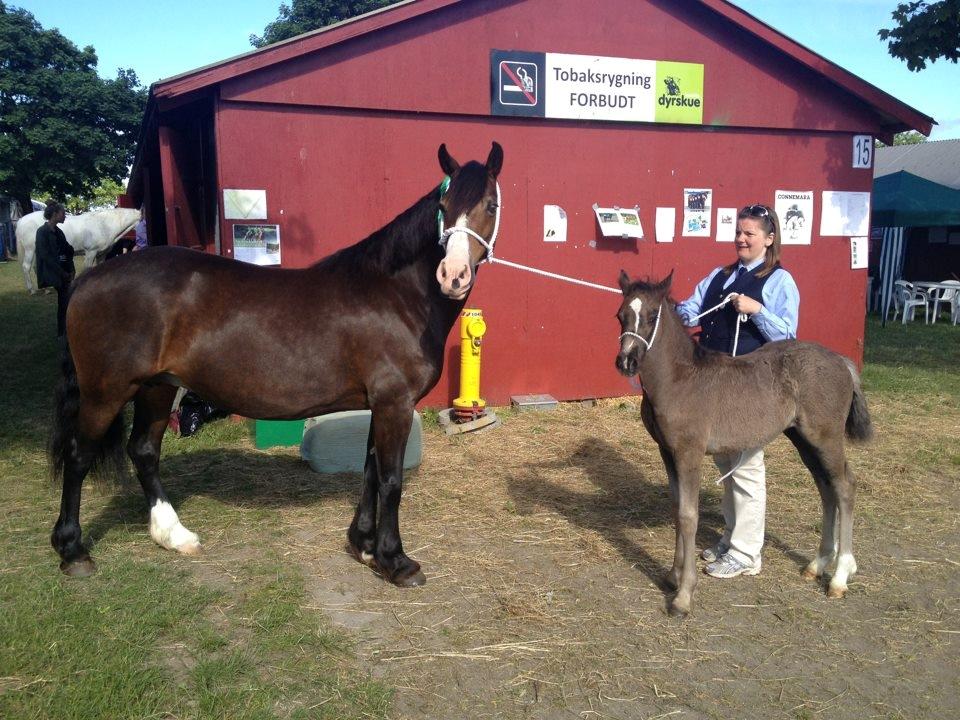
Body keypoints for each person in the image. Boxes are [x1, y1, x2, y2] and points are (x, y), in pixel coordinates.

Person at [675, 203, 800, 579]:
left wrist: (757, 309)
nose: (742, 239)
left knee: (746, 466)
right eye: (739, 232)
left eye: (751, 233)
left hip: (751, 385)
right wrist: (671, 314)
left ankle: (747, 554)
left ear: (769, 238)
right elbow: (691, 307)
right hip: (712, 384)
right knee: (725, 464)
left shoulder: (779, 281)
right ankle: (731, 539)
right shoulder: (720, 275)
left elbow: (788, 337)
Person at [35, 201, 75, 337]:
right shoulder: (42, 232)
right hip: (54, 273)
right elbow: (45, 256)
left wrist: (71, 269)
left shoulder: (59, 232)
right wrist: (63, 273)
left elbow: (67, 250)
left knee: (66, 301)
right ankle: (63, 333)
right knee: (65, 302)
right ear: (54, 214)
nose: (65, 216)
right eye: (63, 213)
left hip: (63, 272)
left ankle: (64, 331)